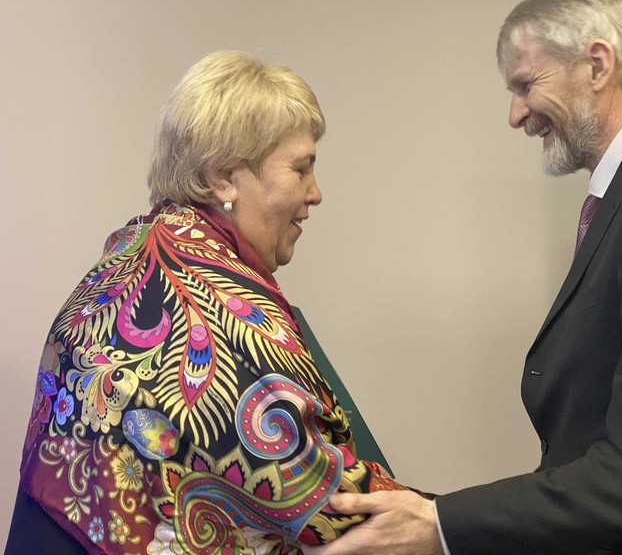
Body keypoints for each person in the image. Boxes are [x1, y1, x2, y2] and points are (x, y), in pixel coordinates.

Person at [305, 0, 622, 555]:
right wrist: (431, 514)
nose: (516, 115)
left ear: (597, 65)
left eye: (525, 85)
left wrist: (441, 525)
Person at [6, 50, 411, 555]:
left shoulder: (132, 251)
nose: (315, 193)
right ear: (223, 178)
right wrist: (449, 520)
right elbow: (328, 506)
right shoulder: (215, 314)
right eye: (300, 169)